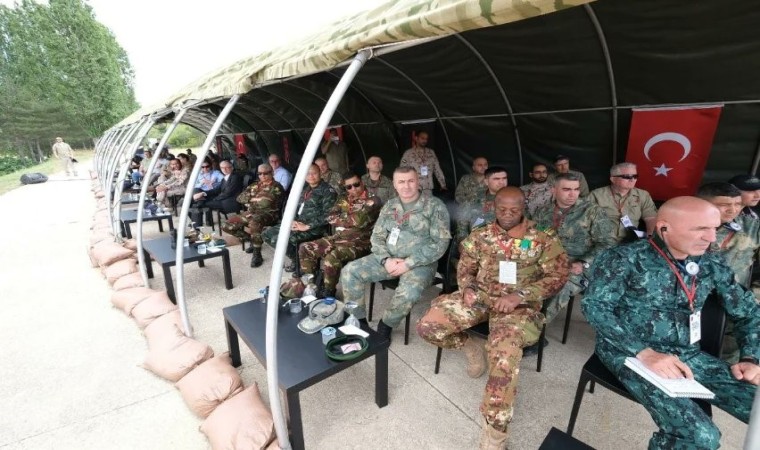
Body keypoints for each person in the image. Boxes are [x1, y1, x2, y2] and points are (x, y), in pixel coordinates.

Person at [581, 196, 760, 450]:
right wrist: (644, 352)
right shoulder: (624, 259)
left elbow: (749, 312)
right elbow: (595, 307)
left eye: (714, 228)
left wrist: (751, 358)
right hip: (629, 353)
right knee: (700, 436)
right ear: (664, 227)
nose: (711, 238)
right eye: (701, 229)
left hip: (689, 355)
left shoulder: (711, 263)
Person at [417, 187, 569, 450]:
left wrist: (520, 295)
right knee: (428, 327)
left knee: (503, 357)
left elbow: (558, 276)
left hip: (518, 307)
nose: (507, 214)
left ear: (523, 208)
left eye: (514, 210)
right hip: (481, 297)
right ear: (494, 207)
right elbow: (465, 267)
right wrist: (468, 288)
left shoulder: (542, 237)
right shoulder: (482, 234)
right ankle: (470, 347)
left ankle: (495, 434)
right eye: (502, 209)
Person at [339, 166, 451, 341]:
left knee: (409, 292)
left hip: (420, 263)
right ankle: (358, 321)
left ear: (418, 181)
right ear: (395, 185)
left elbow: (440, 243)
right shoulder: (390, 205)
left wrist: (408, 263)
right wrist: (386, 260)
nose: (406, 186)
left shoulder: (434, 206)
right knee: (349, 271)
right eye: (401, 182)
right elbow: (377, 236)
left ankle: (386, 325)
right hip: (388, 259)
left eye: (411, 181)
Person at [532, 173, 616, 329]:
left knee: (560, 285)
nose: (573, 194)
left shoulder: (592, 211)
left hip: (577, 264)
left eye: (576, 189)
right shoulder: (543, 211)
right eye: (566, 189)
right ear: (553, 190)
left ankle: (536, 327)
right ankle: (514, 318)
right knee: (517, 276)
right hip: (546, 260)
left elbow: (608, 243)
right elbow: (531, 236)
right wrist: (522, 253)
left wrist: (583, 262)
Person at [697, 182, 760, 363]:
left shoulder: (752, 227)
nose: (733, 210)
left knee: (729, 356)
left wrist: (755, 295)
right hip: (689, 300)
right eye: (724, 205)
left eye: (738, 204)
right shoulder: (684, 226)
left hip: (734, 304)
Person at [297, 172, 381, 297]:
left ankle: (328, 291)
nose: (353, 189)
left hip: (359, 243)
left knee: (332, 257)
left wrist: (342, 217)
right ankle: (310, 286)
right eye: (349, 187)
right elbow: (330, 216)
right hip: (338, 238)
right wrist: (349, 219)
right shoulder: (343, 198)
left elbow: (359, 221)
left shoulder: (373, 200)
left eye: (356, 184)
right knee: (305, 247)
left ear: (362, 183)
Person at [262, 164, 337, 272]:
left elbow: (329, 215)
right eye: (308, 173)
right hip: (298, 224)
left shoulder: (327, 191)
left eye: (314, 173)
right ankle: (298, 260)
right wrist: (292, 220)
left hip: (314, 228)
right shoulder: (306, 189)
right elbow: (297, 208)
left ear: (320, 173)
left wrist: (307, 226)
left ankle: (299, 263)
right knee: (267, 234)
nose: (311, 176)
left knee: (278, 239)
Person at [222, 164, 284, 267]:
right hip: (251, 213)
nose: (262, 176)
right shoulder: (254, 185)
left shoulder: (276, 187)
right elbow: (239, 198)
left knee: (254, 223)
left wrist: (250, 200)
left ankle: (257, 254)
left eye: (266, 173)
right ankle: (252, 240)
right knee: (226, 225)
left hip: (269, 214)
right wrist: (255, 199)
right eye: (260, 173)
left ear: (272, 173)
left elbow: (265, 204)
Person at [589, 162, 657, 242]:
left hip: (631, 241)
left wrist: (650, 237)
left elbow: (651, 218)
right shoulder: (596, 195)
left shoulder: (643, 195)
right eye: (627, 177)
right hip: (602, 241)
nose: (632, 180)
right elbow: (583, 220)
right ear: (613, 179)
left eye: (635, 176)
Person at [456, 167, 508, 243]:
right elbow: (462, 226)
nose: (501, 182)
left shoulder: (515, 198)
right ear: (486, 181)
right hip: (476, 242)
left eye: (504, 178)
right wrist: (465, 244)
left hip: (506, 243)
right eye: (496, 179)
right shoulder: (473, 197)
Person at [190, 160, 244, 227]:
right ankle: (196, 225)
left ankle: (196, 227)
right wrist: (203, 193)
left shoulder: (235, 177)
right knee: (197, 195)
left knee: (196, 205)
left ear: (232, 167)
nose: (224, 169)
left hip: (229, 202)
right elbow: (216, 190)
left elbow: (228, 193)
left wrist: (214, 199)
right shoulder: (226, 177)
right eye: (222, 168)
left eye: (227, 167)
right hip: (223, 200)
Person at [400, 130, 447, 196]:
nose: (425, 141)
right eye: (422, 138)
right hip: (414, 188)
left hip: (427, 188)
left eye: (426, 139)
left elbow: (437, 169)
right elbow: (402, 171)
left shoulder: (431, 152)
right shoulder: (408, 153)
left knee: (429, 202)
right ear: (416, 138)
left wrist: (443, 184)